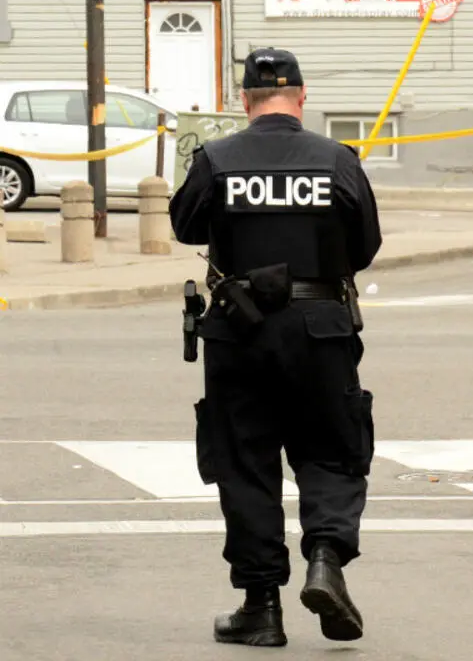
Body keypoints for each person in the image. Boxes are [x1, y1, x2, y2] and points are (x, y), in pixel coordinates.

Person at [169, 47, 383, 647]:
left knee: (244, 464)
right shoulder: (337, 159)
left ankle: (261, 606)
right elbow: (365, 245)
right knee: (331, 451)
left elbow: (184, 226)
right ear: (303, 96)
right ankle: (326, 559)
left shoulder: (216, 159)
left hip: (239, 329)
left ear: (244, 100)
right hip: (321, 327)